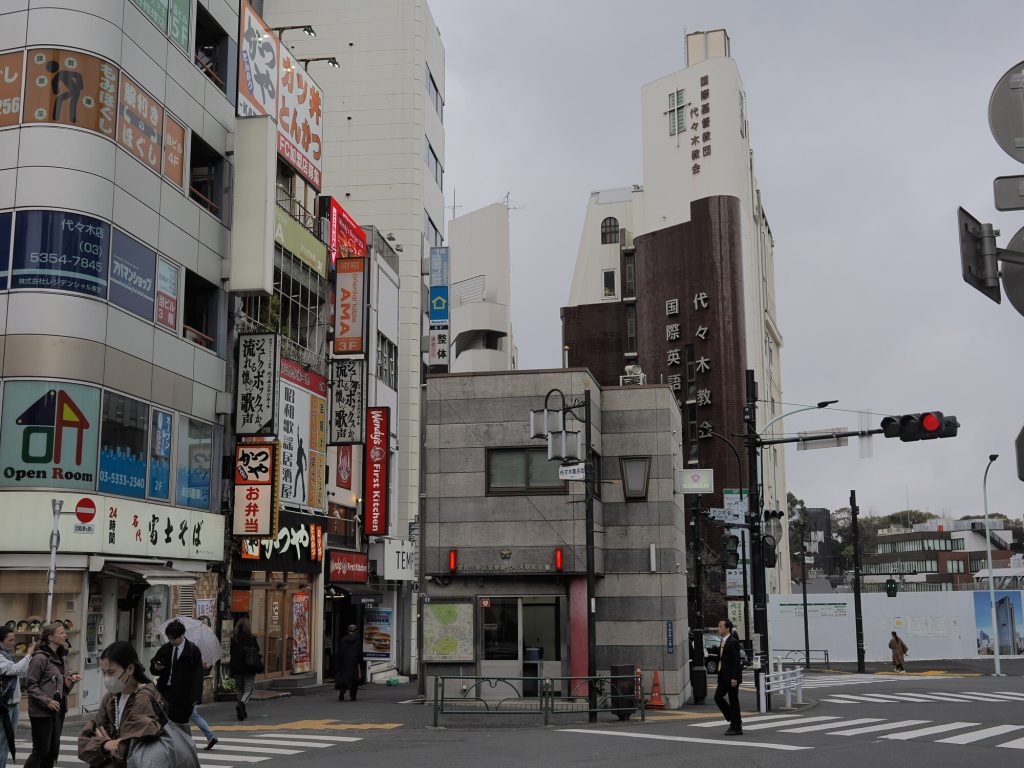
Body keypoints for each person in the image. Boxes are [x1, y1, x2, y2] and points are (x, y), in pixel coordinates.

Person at [76, 641, 163, 766]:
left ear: (130, 669)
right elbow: (85, 742)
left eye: (111, 672)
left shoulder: (144, 696)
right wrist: (106, 745)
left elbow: (128, 749)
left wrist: (103, 745)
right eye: (104, 672)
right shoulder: (111, 697)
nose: (106, 678)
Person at [24, 622, 80, 768]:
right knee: (41, 751)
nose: (65, 635)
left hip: (58, 710)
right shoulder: (40, 658)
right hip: (41, 711)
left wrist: (71, 681)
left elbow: (63, 689)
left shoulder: (64, 658)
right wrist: (47, 701)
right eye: (61, 633)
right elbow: (31, 685)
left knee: (52, 752)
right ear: (50, 637)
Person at [148, 620, 203, 732]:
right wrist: (156, 668)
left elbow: (197, 675)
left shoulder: (192, 651)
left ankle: (183, 746)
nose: (171, 641)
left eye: (173, 638)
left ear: (182, 635)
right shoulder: (165, 649)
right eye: (169, 638)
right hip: (165, 691)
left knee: (180, 725)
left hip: (184, 694)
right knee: (164, 723)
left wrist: (195, 697)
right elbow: (153, 666)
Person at [1, 628, 37, 768]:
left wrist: (30, 657)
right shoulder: (1, 656)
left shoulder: (8, 655)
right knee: (2, 741)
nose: (13, 643)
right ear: (1, 640)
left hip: (13, 703)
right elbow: (14, 670)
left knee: (7, 741)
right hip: (4, 705)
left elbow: (21, 671)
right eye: (10, 640)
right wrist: (28, 654)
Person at [713, 618, 743, 736]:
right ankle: (735, 721)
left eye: (720, 626)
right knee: (718, 697)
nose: (718, 628)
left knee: (733, 700)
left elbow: (736, 662)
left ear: (727, 628)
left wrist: (734, 678)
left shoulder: (732, 642)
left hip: (731, 678)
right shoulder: (723, 641)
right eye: (718, 626)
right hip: (723, 676)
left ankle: (736, 726)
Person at [229, 618, 260, 721]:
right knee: (248, 690)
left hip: (236, 668)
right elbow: (257, 650)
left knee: (239, 689)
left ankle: (242, 710)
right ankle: (242, 704)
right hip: (249, 667)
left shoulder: (234, 638)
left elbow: (231, 653)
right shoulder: (251, 638)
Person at [334, 625, 364, 702]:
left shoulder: (343, 640)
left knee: (343, 680)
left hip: (344, 662)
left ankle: (342, 694)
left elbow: (340, 652)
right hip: (354, 663)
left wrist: (339, 663)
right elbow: (359, 653)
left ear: (348, 631)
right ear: (356, 631)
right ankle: (352, 696)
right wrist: (360, 661)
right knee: (354, 680)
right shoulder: (357, 640)